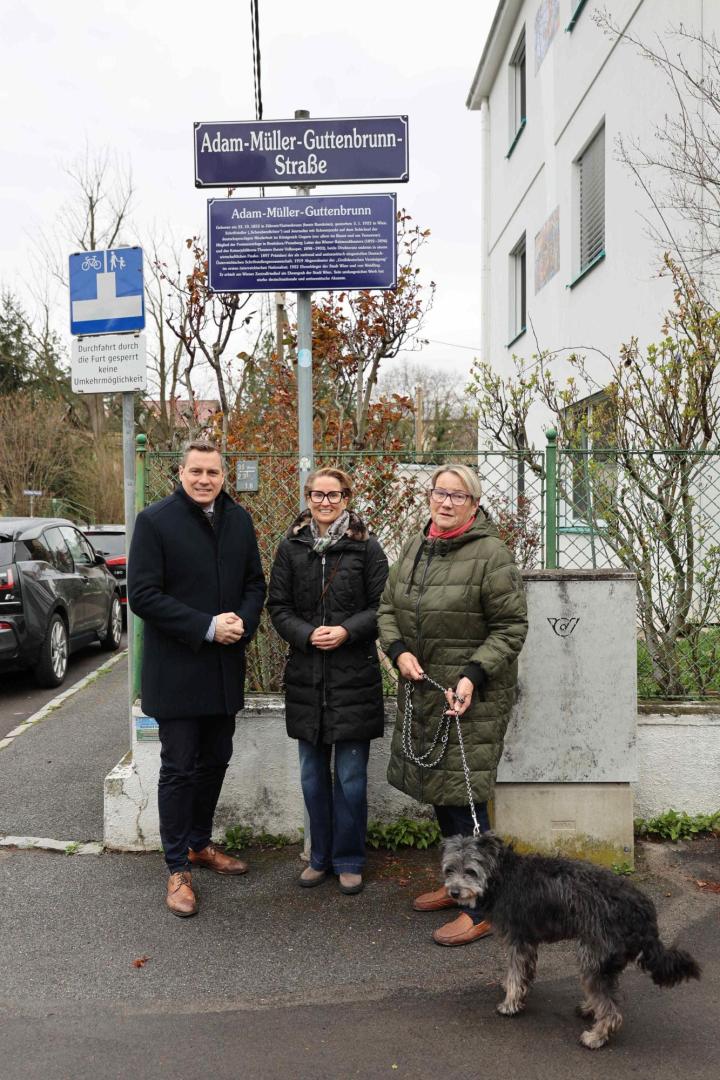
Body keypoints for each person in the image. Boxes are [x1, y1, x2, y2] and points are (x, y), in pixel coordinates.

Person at [378, 464, 528, 946]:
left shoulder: (491, 555)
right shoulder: (416, 545)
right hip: (425, 691)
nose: (445, 503)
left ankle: (486, 906)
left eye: (457, 496)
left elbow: (510, 628)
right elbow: (386, 607)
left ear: (475, 503)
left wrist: (472, 674)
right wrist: (398, 650)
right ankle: (460, 886)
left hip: (471, 695)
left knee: (466, 801)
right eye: (439, 493)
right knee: (442, 797)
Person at [128, 440, 266, 917]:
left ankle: (199, 845)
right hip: (179, 671)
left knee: (215, 760)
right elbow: (142, 595)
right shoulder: (155, 521)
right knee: (179, 768)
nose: (205, 479)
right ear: (181, 472)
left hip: (224, 669)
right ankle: (176, 869)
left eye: (213, 472)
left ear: (224, 476)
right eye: (196, 471)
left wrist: (241, 623)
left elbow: (255, 583)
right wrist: (207, 626)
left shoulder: (239, 520)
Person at [268, 466, 388, 895]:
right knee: (312, 776)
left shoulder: (367, 549)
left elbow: (382, 607)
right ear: (308, 497)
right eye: (317, 495)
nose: (324, 502)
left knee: (351, 777)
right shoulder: (291, 548)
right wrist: (304, 635)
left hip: (353, 678)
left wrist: (346, 631)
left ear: (346, 498)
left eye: (333, 495)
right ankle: (319, 857)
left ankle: (350, 859)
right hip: (306, 678)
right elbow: (277, 606)